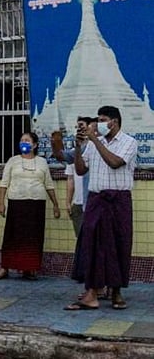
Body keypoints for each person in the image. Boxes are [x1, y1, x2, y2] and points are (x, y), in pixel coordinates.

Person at [66, 106, 137, 311]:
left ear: (113, 122)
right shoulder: (91, 144)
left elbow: (115, 163)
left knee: (119, 244)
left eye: (103, 120)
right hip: (96, 199)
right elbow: (80, 170)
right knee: (92, 243)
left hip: (119, 199)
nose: (99, 124)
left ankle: (116, 291)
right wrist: (79, 147)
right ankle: (92, 292)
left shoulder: (129, 142)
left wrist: (95, 140)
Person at [0, 132, 60, 282]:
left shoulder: (42, 162)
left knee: (33, 238)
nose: (24, 143)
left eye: (27, 141)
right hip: (17, 203)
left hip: (36, 205)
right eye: (22, 140)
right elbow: (4, 183)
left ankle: (29, 269)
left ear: (35, 145)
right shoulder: (13, 161)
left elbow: (49, 184)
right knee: (12, 237)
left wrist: (56, 204)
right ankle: (5, 267)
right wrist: (1, 202)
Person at [64, 117, 95, 237]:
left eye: (82, 126)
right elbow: (70, 179)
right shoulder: (73, 153)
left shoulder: (97, 149)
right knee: (81, 238)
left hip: (93, 202)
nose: (79, 129)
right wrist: (68, 201)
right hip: (78, 203)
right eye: (77, 127)